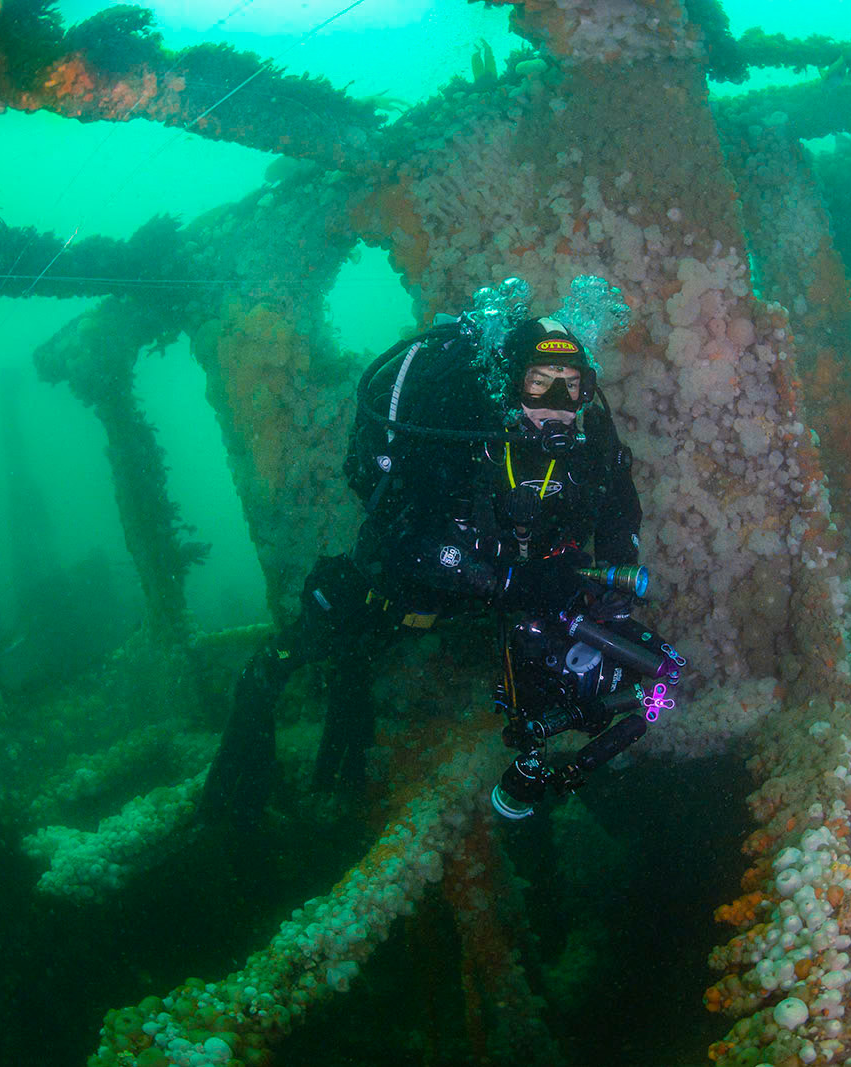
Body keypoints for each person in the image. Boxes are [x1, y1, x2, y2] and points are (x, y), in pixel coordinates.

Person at [200, 309, 642, 828]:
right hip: (411, 594)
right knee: (334, 640)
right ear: (508, 385)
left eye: (571, 388)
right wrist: (507, 582)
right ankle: (240, 781)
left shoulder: (590, 436)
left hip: (507, 605)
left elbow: (618, 507)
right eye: (539, 385)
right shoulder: (459, 433)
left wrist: (617, 571)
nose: (557, 408)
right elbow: (405, 543)